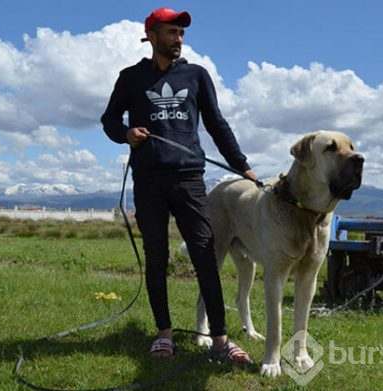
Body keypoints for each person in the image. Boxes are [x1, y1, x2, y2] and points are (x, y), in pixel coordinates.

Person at [101, 7, 255, 366]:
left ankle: (220, 341)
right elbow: (108, 119)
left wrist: (242, 166)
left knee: (205, 256)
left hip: (189, 179)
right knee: (157, 257)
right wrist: (125, 133)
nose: (179, 39)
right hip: (149, 181)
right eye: (171, 32)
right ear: (151, 36)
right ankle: (164, 336)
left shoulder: (197, 76)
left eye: (181, 33)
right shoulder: (130, 78)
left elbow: (217, 124)